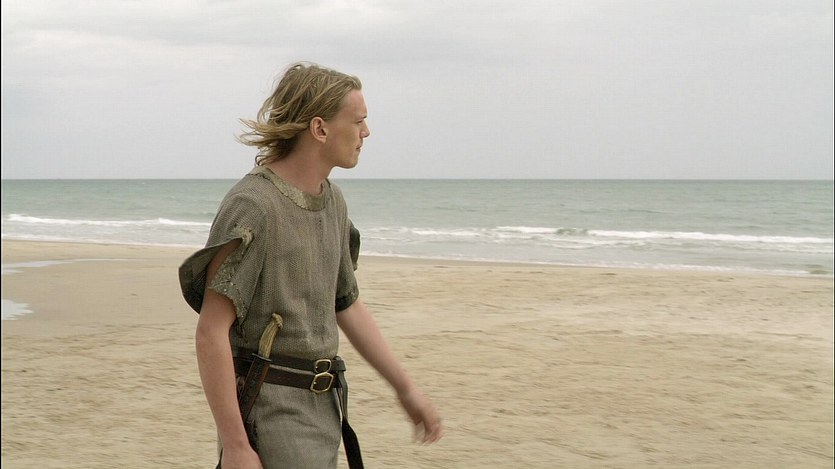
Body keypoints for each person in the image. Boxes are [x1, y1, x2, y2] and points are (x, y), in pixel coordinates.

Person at [178, 62, 443, 468]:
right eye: (358, 121)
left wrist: (405, 388)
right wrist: (235, 445)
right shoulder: (254, 206)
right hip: (269, 411)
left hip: (324, 408)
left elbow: (346, 303)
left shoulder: (332, 201)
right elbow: (211, 331)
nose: (366, 132)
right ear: (320, 129)